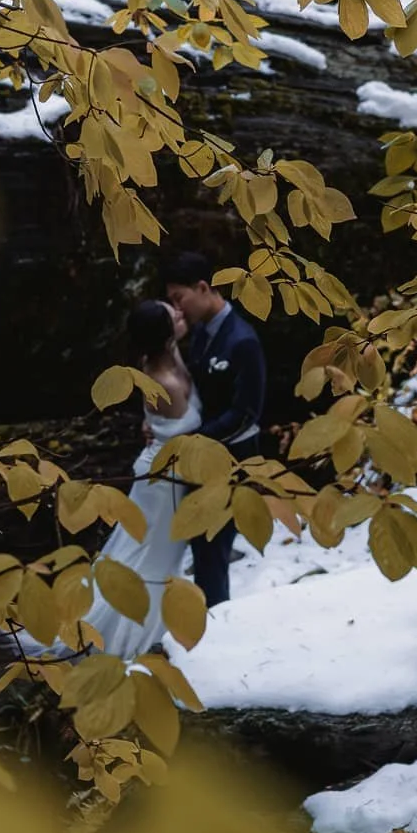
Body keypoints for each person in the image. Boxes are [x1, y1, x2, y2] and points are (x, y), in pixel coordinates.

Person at [68, 299, 203, 657]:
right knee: (150, 558)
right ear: (165, 334)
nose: (180, 312)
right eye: (173, 314)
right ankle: (128, 634)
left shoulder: (158, 361)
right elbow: (192, 429)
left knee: (143, 551)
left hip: (160, 468)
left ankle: (148, 626)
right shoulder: (165, 382)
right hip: (164, 480)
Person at [159, 249, 266, 606]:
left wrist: (192, 440)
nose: (177, 309)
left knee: (213, 549)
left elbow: (246, 412)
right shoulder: (202, 333)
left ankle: (216, 621)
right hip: (199, 458)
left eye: (179, 298)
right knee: (202, 548)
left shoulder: (243, 340)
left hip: (232, 459)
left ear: (204, 288)